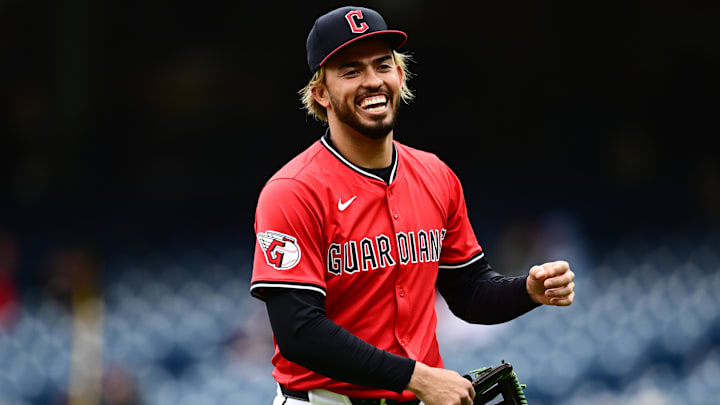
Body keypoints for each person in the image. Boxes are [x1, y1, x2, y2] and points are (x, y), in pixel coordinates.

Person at [250, 6, 576, 405]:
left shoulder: (435, 175)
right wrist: (418, 377)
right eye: (351, 71)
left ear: (399, 75)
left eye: (382, 65)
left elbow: (469, 291)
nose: (372, 81)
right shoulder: (292, 191)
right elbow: (298, 332)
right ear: (321, 93)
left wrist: (526, 290)